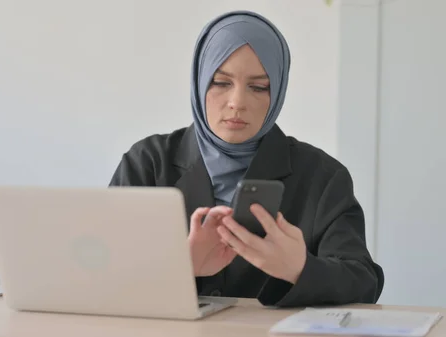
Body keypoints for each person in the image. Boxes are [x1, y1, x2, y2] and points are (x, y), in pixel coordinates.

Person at [109, 10, 384, 307]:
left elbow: (363, 282)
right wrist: (180, 267)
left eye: (258, 87)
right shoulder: (147, 163)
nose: (237, 103)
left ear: (277, 90)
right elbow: (101, 274)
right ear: (199, 81)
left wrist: (299, 269)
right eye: (221, 82)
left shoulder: (323, 176)